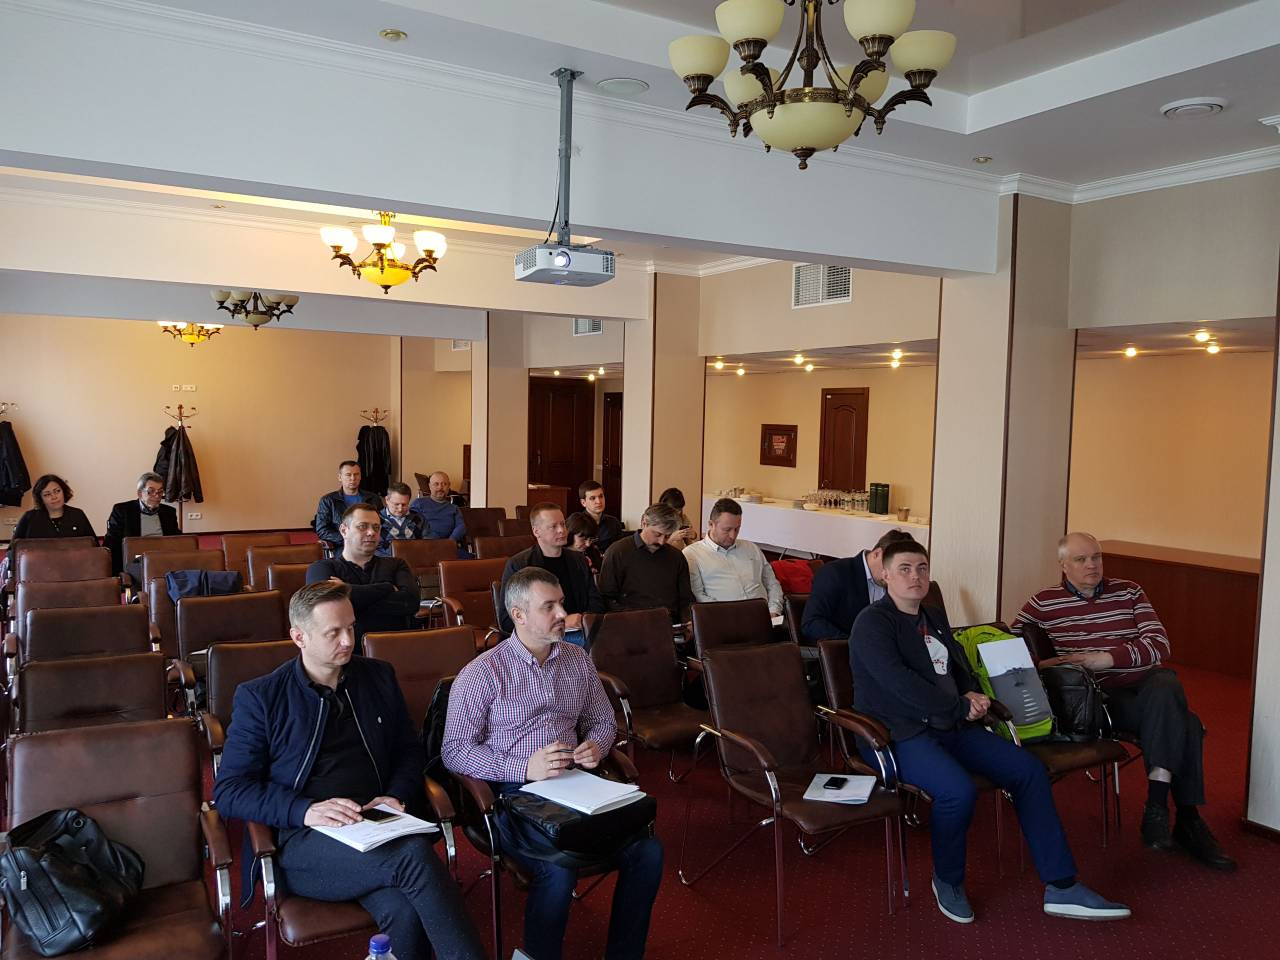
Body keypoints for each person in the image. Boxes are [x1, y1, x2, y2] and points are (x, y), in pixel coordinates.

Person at [851, 540, 1130, 924]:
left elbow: (958, 667)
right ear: (884, 574)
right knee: (957, 792)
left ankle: (1062, 885)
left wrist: (971, 693)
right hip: (899, 733)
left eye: (922, 568)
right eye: (905, 569)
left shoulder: (932, 616)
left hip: (951, 724)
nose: (915, 576)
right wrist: (958, 705)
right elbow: (899, 684)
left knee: (1028, 771)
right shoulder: (872, 623)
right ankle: (947, 880)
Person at [214, 581, 485, 960]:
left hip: (375, 823)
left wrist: (395, 795)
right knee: (413, 856)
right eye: (333, 633)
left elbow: (408, 752)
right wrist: (305, 810)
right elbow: (229, 791)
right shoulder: (262, 697)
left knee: (404, 911)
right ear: (299, 637)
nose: (347, 641)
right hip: (305, 840)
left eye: (351, 628)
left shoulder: (377, 676)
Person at [443, 567, 663, 960]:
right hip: (515, 795)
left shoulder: (577, 660)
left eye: (561, 603)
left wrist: (595, 746)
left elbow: (602, 720)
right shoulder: (482, 674)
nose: (563, 613)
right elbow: (455, 750)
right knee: (557, 871)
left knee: (649, 852)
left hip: (578, 785)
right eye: (549, 606)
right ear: (519, 614)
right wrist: (524, 768)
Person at [1014, 532, 1234, 870]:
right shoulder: (1044, 602)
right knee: (1186, 721)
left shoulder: (1130, 591)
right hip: (1102, 700)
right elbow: (1008, 643)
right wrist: (1044, 664)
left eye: (1096, 557)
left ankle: (1159, 808)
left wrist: (1106, 658)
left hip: (1148, 686)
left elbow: (1160, 644)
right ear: (1063, 565)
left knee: (1164, 682)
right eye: (1081, 559)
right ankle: (1186, 819)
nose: (1092, 565)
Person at [306, 503, 419, 648]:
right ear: (344, 530)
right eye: (362, 526)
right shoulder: (321, 568)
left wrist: (347, 592)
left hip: (394, 648)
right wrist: (387, 588)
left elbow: (411, 603)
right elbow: (327, 609)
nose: (371, 532)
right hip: (345, 651)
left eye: (376, 527)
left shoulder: (396, 564)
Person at [498, 502, 604, 643]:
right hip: (541, 636)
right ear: (536, 532)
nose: (561, 530)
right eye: (553, 526)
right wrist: (562, 621)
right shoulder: (519, 564)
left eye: (563, 524)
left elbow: (596, 603)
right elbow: (507, 619)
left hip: (579, 629)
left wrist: (583, 618)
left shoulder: (578, 560)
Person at [802, 529, 918, 643]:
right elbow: (811, 623)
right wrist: (855, 644)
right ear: (877, 554)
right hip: (847, 650)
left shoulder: (899, 583)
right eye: (891, 565)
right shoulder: (835, 573)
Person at [682, 497, 783, 617]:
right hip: (725, 618)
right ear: (711, 525)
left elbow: (772, 583)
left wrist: (774, 610)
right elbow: (698, 596)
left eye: (737, 529)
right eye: (727, 529)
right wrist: (730, 616)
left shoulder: (751, 548)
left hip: (764, 616)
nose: (733, 535)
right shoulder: (692, 554)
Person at [598, 502, 694, 623]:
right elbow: (607, 598)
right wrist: (632, 618)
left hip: (669, 623)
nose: (661, 542)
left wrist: (688, 621)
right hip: (630, 622)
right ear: (644, 523)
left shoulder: (676, 557)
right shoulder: (618, 552)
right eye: (657, 534)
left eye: (667, 536)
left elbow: (686, 599)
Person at [103, 471, 181, 580]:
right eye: (151, 491)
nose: (157, 496)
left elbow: (176, 539)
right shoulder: (122, 510)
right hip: (137, 559)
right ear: (140, 493)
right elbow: (111, 541)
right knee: (148, 572)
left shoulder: (169, 512)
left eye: (160, 492)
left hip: (162, 556)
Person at [314, 461, 383, 555]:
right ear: (340, 477)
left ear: (360, 476)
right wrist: (349, 539)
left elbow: (382, 524)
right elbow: (322, 529)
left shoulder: (373, 498)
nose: (353, 478)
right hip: (342, 545)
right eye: (348, 475)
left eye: (356, 474)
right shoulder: (328, 500)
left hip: (370, 543)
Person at [11, 473, 96, 543]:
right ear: (41, 498)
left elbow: (93, 545)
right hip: (39, 559)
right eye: (47, 494)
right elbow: (13, 549)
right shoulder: (29, 518)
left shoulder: (77, 515)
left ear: (63, 491)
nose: (54, 497)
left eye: (57, 491)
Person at [409, 471, 466, 544]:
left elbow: (461, 527)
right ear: (430, 486)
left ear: (449, 486)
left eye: (444, 484)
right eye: (436, 484)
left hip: (448, 544)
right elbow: (411, 525)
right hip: (424, 545)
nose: (440, 487)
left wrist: (450, 541)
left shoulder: (454, 508)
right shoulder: (419, 504)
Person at [568, 481, 624, 554]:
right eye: (592, 498)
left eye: (601, 496)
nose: (598, 501)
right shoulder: (576, 523)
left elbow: (620, 550)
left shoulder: (613, 522)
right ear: (583, 503)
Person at [377, 482, 427, 557]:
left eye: (404, 505)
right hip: (387, 561)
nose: (400, 509)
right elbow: (375, 548)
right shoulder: (376, 520)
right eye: (396, 504)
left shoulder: (419, 519)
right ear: (387, 500)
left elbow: (428, 543)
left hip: (415, 559)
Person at [565, 511, 602, 576]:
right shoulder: (559, 555)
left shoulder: (593, 552)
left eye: (591, 539)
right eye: (583, 539)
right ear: (570, 534)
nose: (588, 544)